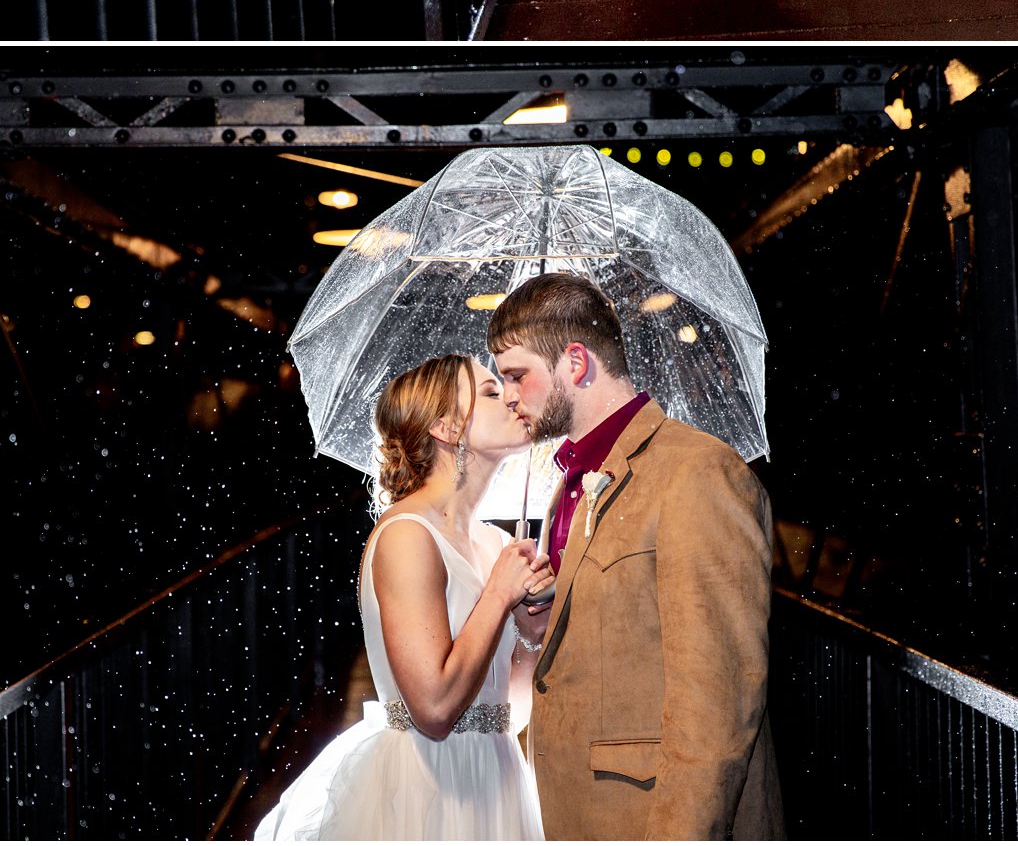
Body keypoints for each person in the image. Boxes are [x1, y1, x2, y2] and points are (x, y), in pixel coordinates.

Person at [489, 272, 782, 839]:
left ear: (575, 362)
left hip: (649, 819)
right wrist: (549, 618)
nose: (507, 396)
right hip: (577, 811)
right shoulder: (569, 481)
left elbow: (717, 704)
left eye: (516, 375)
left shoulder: (697, 473)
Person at [257, 357, 551, 840]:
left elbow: (503, 715)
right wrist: (498, 596)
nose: (513, 398)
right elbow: (434, 712)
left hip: (496, 783)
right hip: (427, 790)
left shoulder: (497, 545)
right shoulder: (407, 535)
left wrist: (530, 636)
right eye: (492, 393)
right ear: (445, 426)